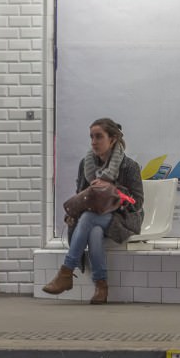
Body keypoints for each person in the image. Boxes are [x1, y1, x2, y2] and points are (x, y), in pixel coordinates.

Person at [43, 118, 144, 304]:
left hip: (123, 218)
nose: (94, 142)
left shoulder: (129, 166)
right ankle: (101, 286)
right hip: (94, 219)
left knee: (89, 218)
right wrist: (72, 214)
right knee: (94, 231)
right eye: (91, 137)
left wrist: (112, 189)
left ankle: (66, 272)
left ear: (112, 139)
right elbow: (81, 194)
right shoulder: (85, 164)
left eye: (99, 137)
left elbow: (137, 203)